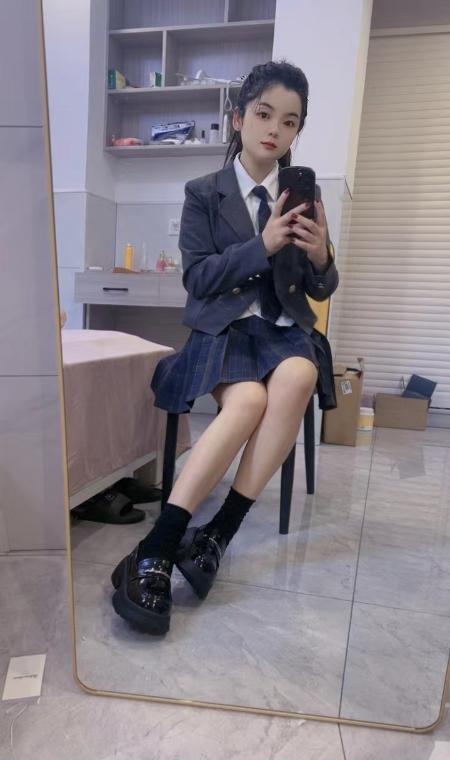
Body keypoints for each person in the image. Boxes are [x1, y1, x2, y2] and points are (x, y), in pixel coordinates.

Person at [111, 60, 339, 635]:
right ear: (238, 118)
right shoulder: (203, 194)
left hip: (283, 332)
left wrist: (320, 256)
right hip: (225, 331)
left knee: (299, 376)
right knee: (248, 403)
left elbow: (321, 288)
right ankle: (160, 546)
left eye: (290, 121)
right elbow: (198, 279)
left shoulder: (303, 197)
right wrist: (262, 245)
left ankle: (215, 535)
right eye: (264, 114)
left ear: (297, 131)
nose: (275, 129)